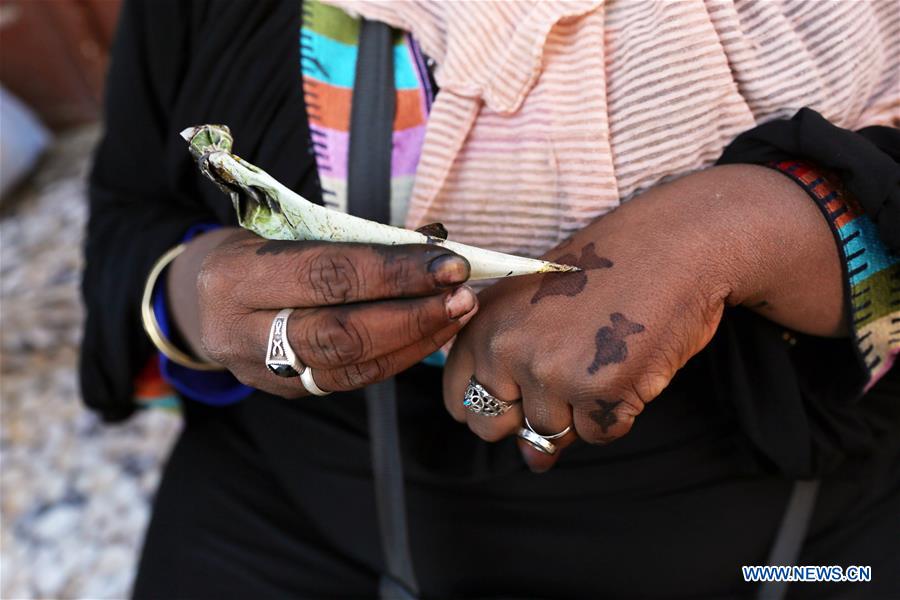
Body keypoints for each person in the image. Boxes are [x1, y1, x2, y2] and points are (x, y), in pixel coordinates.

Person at [82, 0, 899, 597]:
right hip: (302, 521)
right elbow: (131, 210)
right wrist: (190, 294)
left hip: (796, 549)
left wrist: (752, 226)